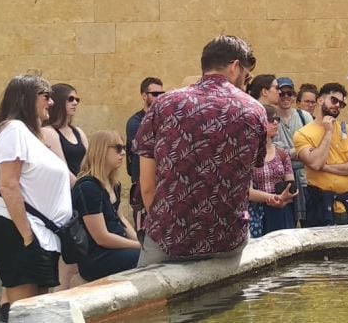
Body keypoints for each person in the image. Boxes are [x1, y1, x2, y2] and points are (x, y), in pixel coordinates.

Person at [134, 35, 266, 266]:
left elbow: (147, 186)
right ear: (235, 67)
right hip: (227, 243)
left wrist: (168, 228)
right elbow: (248, 174)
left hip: (169, 239)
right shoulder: (255, 110)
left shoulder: (164, 105)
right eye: (246, 77)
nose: (245, 84)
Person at [0, 75, 72, 321]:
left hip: (38, 234)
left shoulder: (29, 134)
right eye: (46, 96)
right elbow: (8, 184)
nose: (52, 102)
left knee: (37, 312)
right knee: (27, 312)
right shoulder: (13, 130)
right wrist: (26, 236)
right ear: (26, 98)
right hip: (19, 231)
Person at [71, 131, 140, 282]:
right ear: (101, 150)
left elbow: (121, 218)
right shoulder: (88, 187)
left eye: (124, 148)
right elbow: (101, 237)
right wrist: (138, 246)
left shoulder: (114, 184)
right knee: (143, 258)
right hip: (98, 256)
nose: (123, 153)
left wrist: (139, 241)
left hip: (117, 249)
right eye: (117, 148)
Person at [294, 83, 348, 226]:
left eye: (341, 103)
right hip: (320, 206)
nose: (338, 105)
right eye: (334, 100)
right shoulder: (302, 134)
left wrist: (327, 168)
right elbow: (315, 163)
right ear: (320, 100)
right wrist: (328, 132)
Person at [41, 83, 88, 290]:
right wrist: (85, 188)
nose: (75, 102)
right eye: (70, 99)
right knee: (67, 258)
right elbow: (62, 167)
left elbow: (88, 164)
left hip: (81, 194)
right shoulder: (49, 132)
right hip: (66, 197)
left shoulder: (78, 131)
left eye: (77, 99)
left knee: (77, 258)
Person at [247, 105, 297, 238]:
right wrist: (273, 198)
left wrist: (285, 198)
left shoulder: (282, 153)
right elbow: (248, 192)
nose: (275, 122)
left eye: (277, 119)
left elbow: (290, 185)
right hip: (258, 213)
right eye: (270, 119)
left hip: (282, 211)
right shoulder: (249, 155)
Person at [125, 77, 163, 229]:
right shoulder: (135, 122)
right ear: (144, 95)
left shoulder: (162, 118)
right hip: (141, 186)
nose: (159, 97)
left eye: (162, 94)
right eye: (155, 94)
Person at [272, 77, 311, 227]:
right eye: (282, 93)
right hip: (283, 182)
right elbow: (276, 155)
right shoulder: (271, 119)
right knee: (288, 227)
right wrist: (301, 151)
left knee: (310, 226)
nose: (286, 97)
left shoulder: (304, 116)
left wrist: (289, 154)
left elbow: (313, 147)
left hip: (305, 180)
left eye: (290, 93)